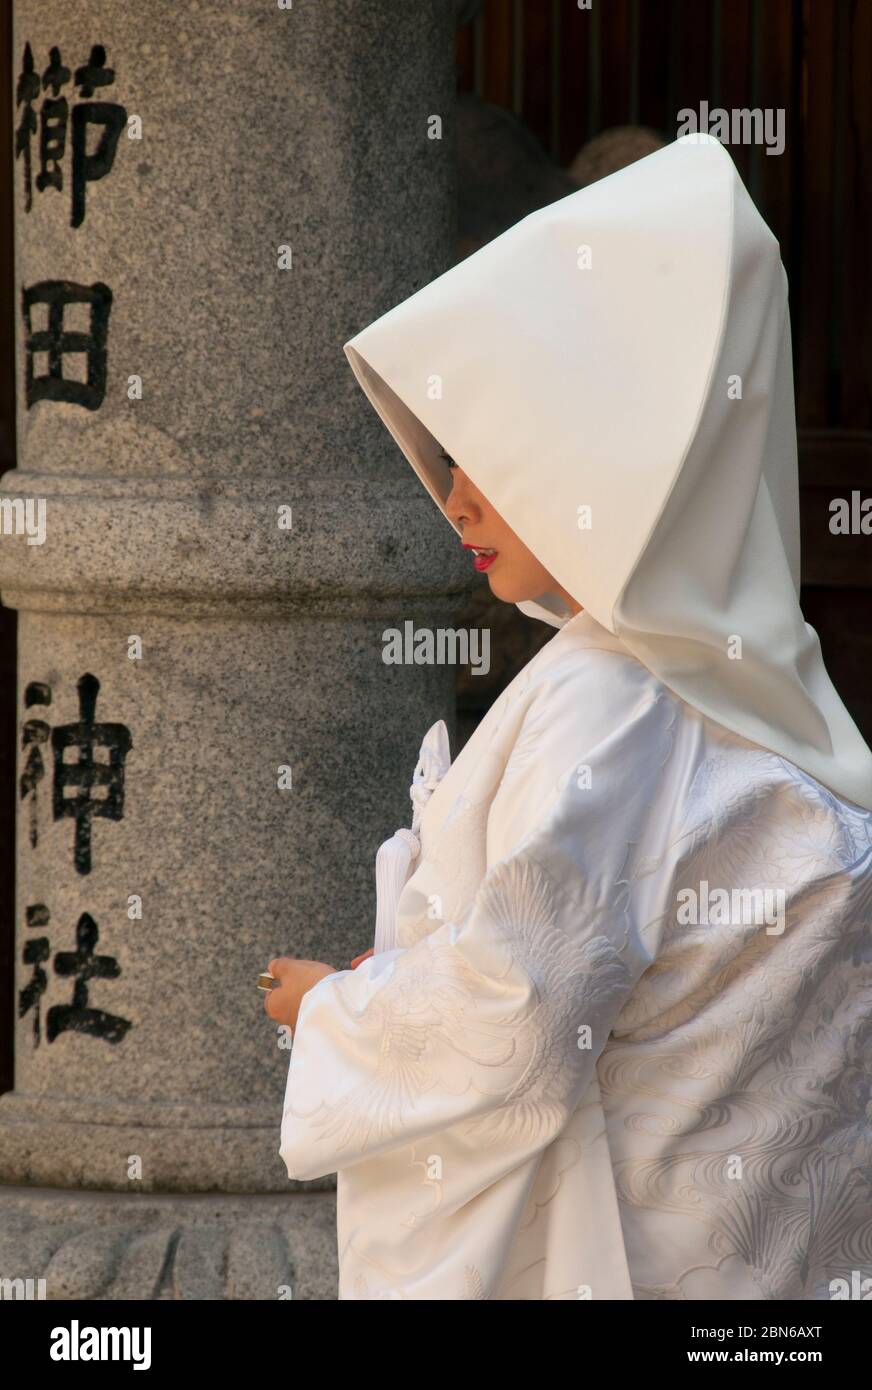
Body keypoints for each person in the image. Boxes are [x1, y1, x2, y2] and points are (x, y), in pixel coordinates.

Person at [266, 133, 872, 1300]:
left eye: (495, 457)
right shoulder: (759, 685)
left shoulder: (607, 693)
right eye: (450, 460)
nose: (454, 499)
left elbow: (524, 1011)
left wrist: (332, 1011)